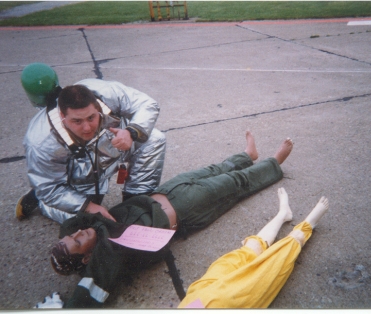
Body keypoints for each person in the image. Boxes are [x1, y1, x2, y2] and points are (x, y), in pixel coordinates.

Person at [46, 131, 294, 308]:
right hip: (183, 208)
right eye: (77, 242)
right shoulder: (106, 256)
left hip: (164, 192)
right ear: (88, 258)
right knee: (232, 184)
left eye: (72, 235)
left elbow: (70, 224)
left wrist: (67, 241)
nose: (78, 233)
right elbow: (84, 299)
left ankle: (247, 155)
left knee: (213, 170)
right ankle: (274, 163)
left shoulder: (88, 229)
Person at [16, 63, 166, 223]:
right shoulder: (39, 141)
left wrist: (131, 132)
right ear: (62, 116)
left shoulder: (103, 92)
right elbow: (48, 189)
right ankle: (40, 202)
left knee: (154, 139)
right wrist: (88, 206)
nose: (87, 128)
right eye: (77, 121)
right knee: (89, 221)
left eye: (91, 118)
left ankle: (136, 202)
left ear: (96, 105)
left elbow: (148, 104)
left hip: (113, 150)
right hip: (81, 178)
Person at [178, 187, 329, 308]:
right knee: (270, 267)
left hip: (197, 298)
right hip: (224, 305)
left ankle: (283, 214)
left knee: (247, 252)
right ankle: (306, 227)